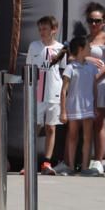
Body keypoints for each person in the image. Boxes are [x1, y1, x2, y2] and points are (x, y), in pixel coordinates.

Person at [27, 16, 64, 174]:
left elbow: (62, 71)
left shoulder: (61, 48)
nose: (42, 32)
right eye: (40, 29)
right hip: (37, 93)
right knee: (34, 127)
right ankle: (28, 162)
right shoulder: (34, 46)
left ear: (53, 30)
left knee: (51, 127)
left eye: (45, 29)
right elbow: (29, 68)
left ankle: (46, 163)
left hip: (53, 93)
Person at [59, 37, 98, 176]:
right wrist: (63, 111)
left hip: (88, 107)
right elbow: (64, 90)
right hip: (73, 106)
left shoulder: (92, 68)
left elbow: (94, 89)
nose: (90, 48)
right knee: (73, 136)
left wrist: (95, 106)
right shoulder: (70, 68)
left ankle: (84, 168)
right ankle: (69, 167)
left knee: (88, 137)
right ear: (81, 49)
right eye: (88, 46)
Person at [83, 2, 105, 164]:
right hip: (85, 86)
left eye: (97, 20)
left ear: (103, 21)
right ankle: (86, 159)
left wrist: (96, 76)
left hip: (102, 84)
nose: (94, 24)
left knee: (100, 120)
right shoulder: (85, 39)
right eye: (90, 20)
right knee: (88, 121)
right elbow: (77, 57)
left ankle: (99, 161)